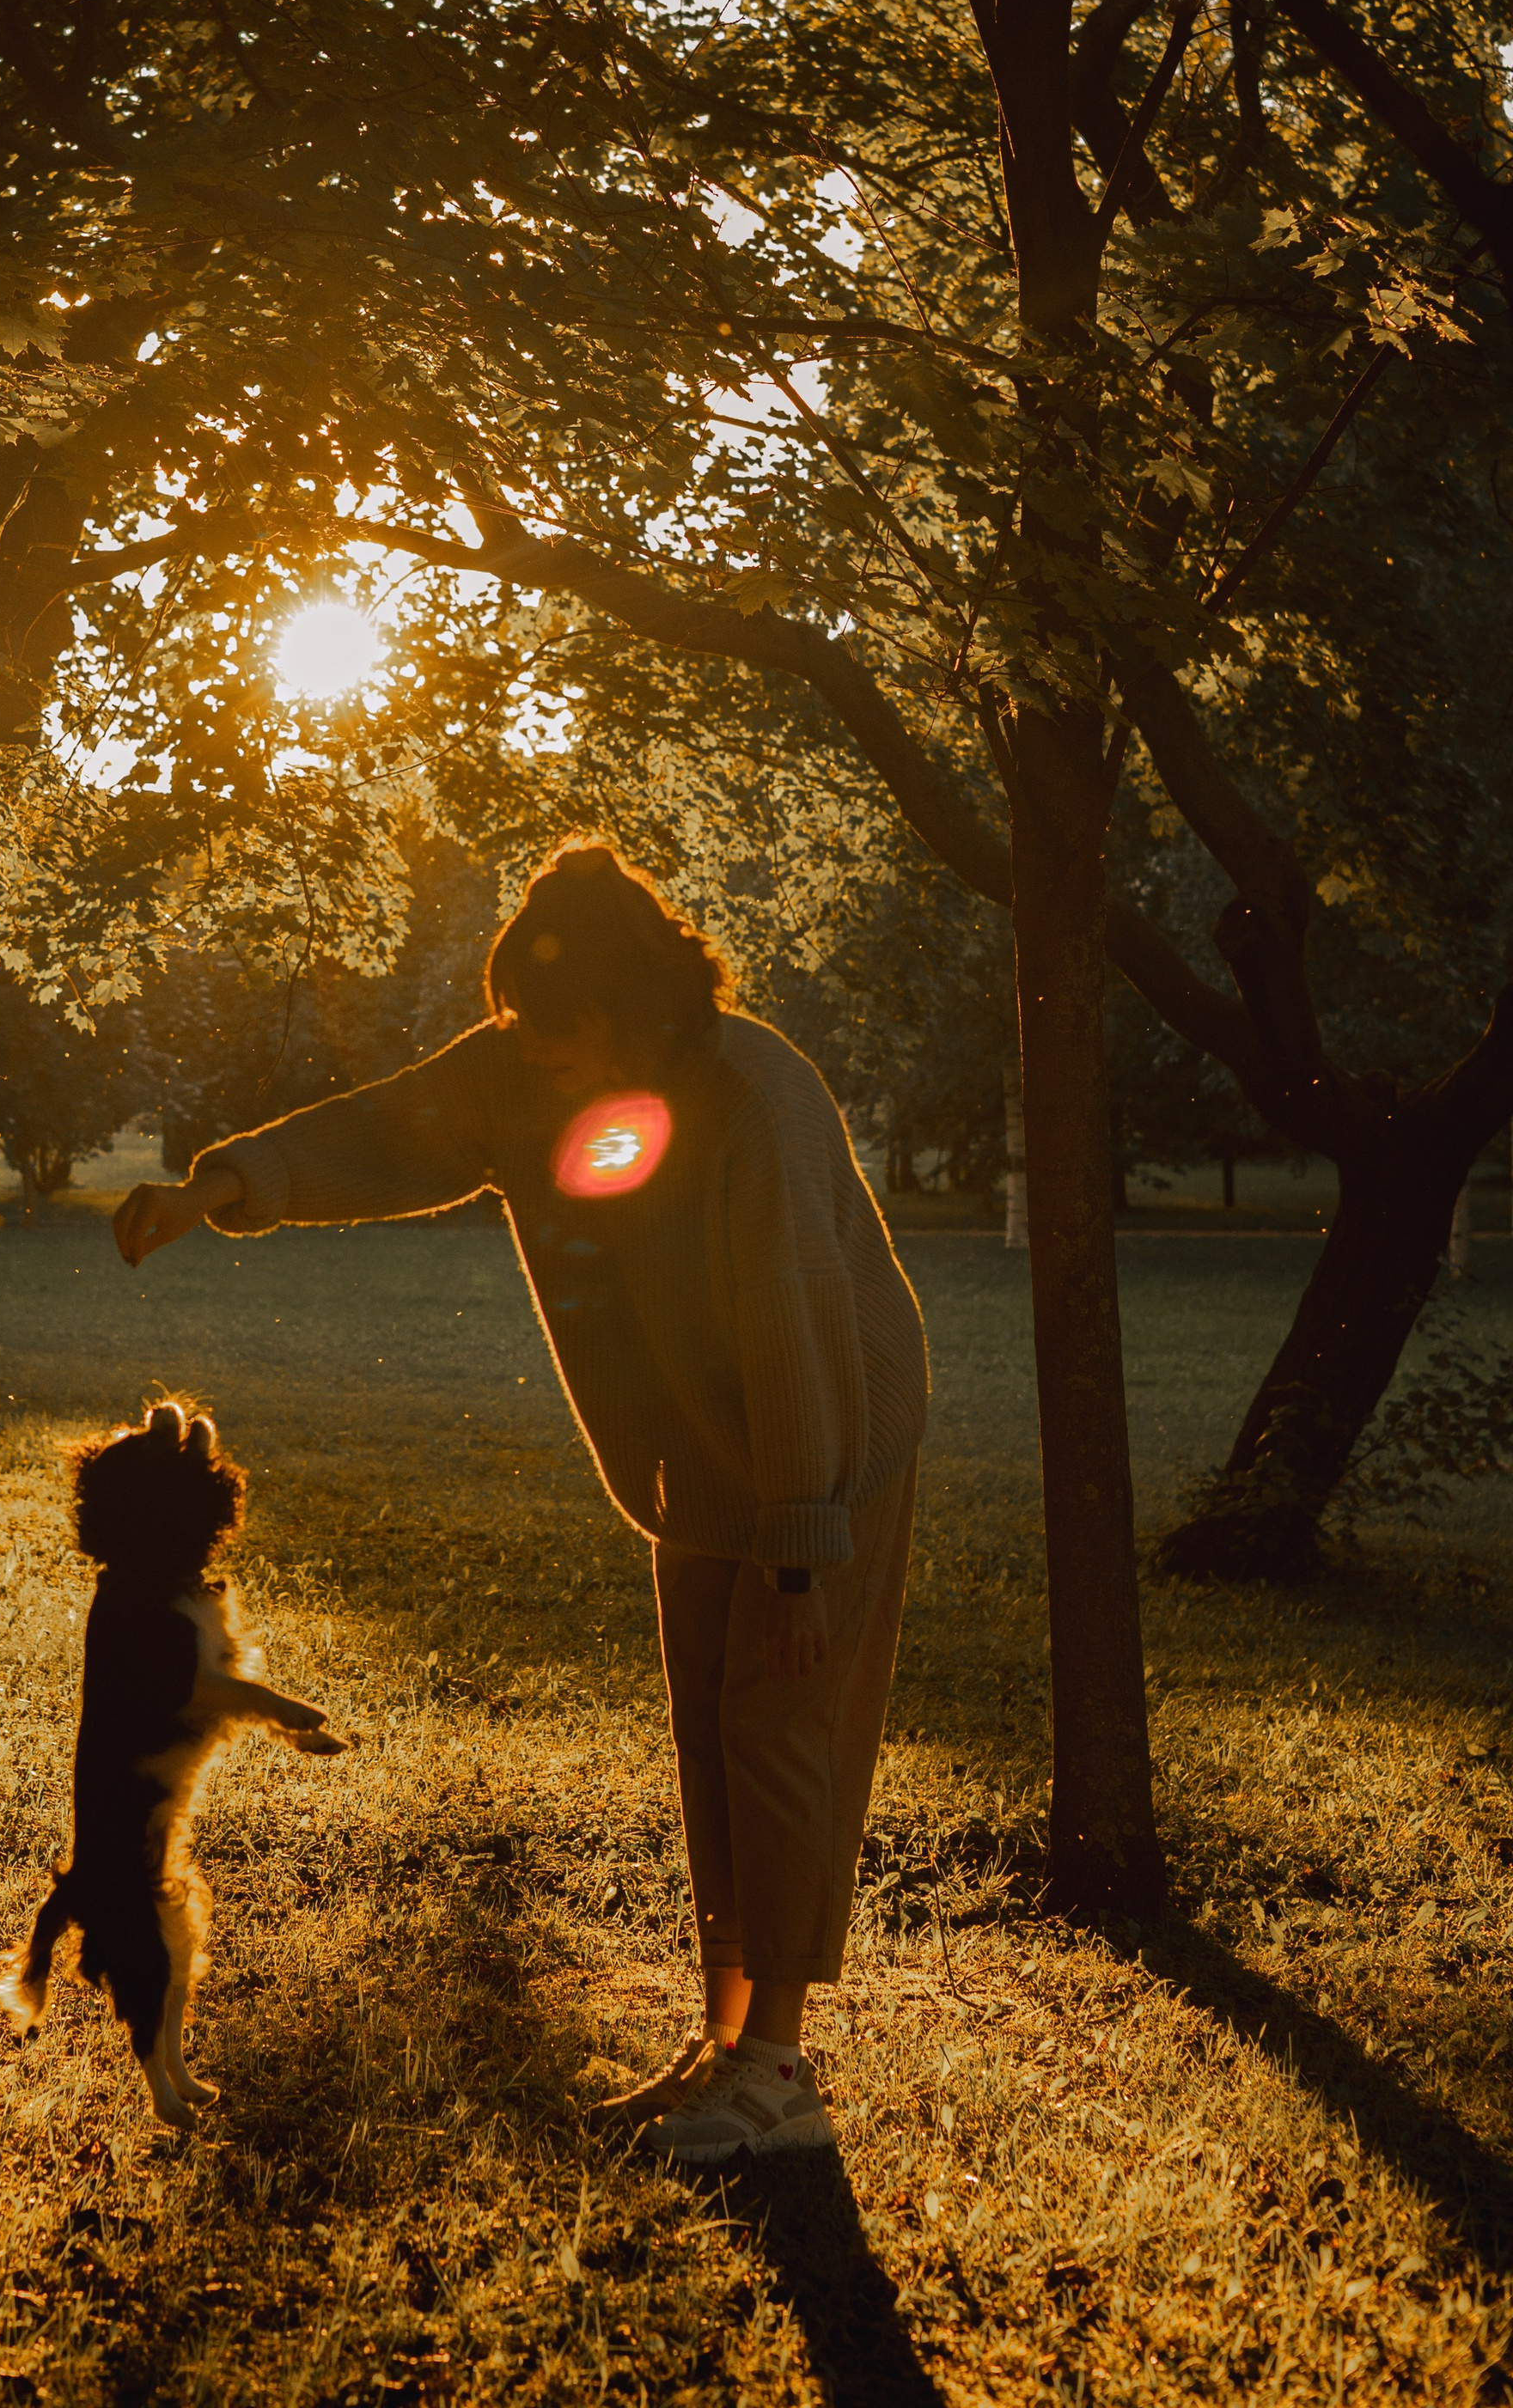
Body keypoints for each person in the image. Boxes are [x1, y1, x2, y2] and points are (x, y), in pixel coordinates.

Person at [113, 838, 929, 2164]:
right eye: (516, 1022)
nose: (524, 1049)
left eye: (551, 1027)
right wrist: (222, 1187)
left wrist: (799, 1555)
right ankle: (722, 2045)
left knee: (782, 1725)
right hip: (697, 1458)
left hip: (822, 1446)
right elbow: (384, 1132)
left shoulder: (753, 1099)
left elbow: (796, 1325)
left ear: (639, 1012)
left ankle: (778, 2074)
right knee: (713, 1745)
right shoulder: (529, 1069)